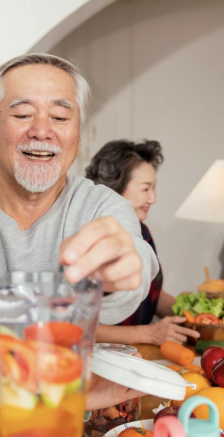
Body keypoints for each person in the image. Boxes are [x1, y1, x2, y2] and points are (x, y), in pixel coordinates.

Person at [0, 54, 159, 325]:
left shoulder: (103, 207)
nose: (41, 131)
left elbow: (134, 263)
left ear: (78, 135)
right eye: (23, 114)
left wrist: (123, 267)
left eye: (60, 117)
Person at [85, 139, 200, 346]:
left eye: (154, 188)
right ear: (112, 190)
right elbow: (76, 323)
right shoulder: (88, 243)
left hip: (139, 355)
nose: (153, 198)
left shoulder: (142, 232)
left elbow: (152, 296)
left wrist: (195, 315)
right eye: (145, 189)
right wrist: (148, 334)